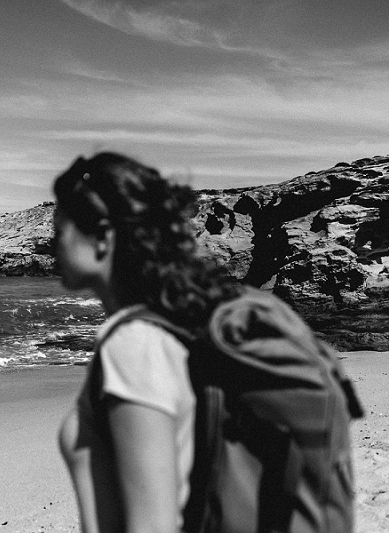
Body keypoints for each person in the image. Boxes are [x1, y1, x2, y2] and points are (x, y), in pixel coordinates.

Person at [54, 152, 232, 533]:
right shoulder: (168, 327)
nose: (53, 246)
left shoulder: (134, 344)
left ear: (102, 237)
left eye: (60, 232)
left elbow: (153, 526)